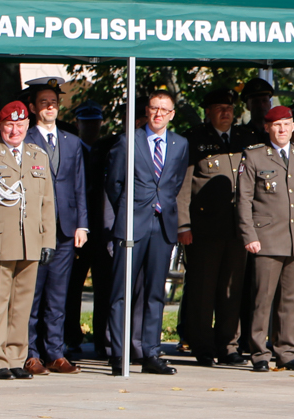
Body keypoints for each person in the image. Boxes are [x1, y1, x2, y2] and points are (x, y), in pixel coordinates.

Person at [0, 101, 57, 380]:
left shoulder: (37, 155)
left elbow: (47, 202)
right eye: (9, 125)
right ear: (0, 126)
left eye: (19, 125)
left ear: (28, 126)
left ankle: (17, 357)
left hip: (31, 241)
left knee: (22, 304)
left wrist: (48, 241)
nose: (14, 130)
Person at [107, 90, 189, 375]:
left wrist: (161, 204)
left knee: (155, 292)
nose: (159, 114)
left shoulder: (180, 144)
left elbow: (175, 182)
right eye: (154, 108)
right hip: (133, 221)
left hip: (162, 224)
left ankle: (151, 352)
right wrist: (132, 208)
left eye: (164, 110)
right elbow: (114, 184)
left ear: (172, 114)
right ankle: (119, 353)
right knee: (122, 291)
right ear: (147, 110)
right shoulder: (129, 140)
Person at [237, 106, 294, 372]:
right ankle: (259, 353)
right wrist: (249, 234)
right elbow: (244, 199)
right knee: (263, 299)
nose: (283, 129)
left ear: (293, 126)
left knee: (291, 299)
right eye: (277, 125)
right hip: (266, 238)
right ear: (267, 127)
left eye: (287, 124)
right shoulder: (254, 156)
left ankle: (286, 351)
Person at [176, 87, 256, 367]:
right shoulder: (194, 140)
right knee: (202, 291)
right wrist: (183, 225)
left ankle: (228, 345)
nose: (226, 113)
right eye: (220, 108)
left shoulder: (246, 139)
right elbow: (184, 187)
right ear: (207, 111)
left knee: (232, 291)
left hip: (238, 229)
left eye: (230, 108)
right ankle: (202, 345)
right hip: (204, 229)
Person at [23, 78, 88, 375]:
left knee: (57, 295)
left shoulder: (71, 141)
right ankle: (30, 352)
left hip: (64, 227)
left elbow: (78, 186)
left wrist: (81, 225)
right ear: (34, 107)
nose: (50, 107)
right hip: (34, 228)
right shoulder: (24, 138)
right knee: (33, 292)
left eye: (54, 102)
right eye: (44, 102)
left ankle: (55, 352)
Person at [72, 102, 114, 359]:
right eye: (86, 122)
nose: (91, 127)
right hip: (76, 228)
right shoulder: (72, 148)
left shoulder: (107, 149)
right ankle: (71, 336)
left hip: (100, 231)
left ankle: (101, 338)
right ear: (78, 124)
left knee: (104, 287)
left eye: (95, 122)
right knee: (71, 287)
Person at [233, 76, 274, 141]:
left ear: (270, 104)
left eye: (264, 100)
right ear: (247, 106)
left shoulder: (277, 133)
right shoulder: (239, 135)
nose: (261, 105)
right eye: (256, 101)